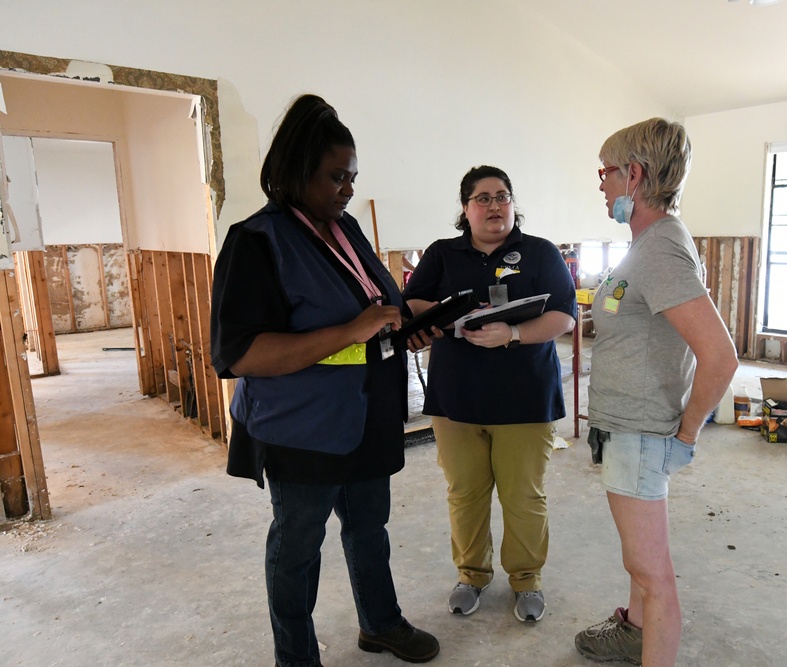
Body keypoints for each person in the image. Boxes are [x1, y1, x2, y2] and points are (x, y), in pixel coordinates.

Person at [210, 94, 440, 666]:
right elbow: (240, 354)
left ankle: (380, 624)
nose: (348, 189)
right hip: (302, 431)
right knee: (297, 549)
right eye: (337, 177)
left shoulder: (346, 230)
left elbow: (372, 308)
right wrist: (354, 329)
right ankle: (297, 656)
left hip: (367, 418)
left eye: (353, 178)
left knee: (369, 529)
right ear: (296, 170)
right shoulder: (256, 241)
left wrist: (405, 324)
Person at [574, 119, 739, 667]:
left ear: (635, 175)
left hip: (641, 434)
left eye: (606, 172)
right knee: (638, 562)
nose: (601, 184)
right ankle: (633, 631)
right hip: (626, 429)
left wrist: (685, 433)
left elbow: (719, 356)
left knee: (653, 573)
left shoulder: (660, 249)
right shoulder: (648, 244)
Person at [402, 166, 576, 623]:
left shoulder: (540, 253)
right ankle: (471, 575)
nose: (494, 205)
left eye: (502, 196)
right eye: (483, 198)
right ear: (465, 209)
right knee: (466, 494)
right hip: (456, 399)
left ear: (513, 204)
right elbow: (414, 301)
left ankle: (526, 580)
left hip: (525, 400)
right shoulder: (442, 254)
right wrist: (438, 317)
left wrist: (514, 333)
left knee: (523, 497)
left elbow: (564, 316)